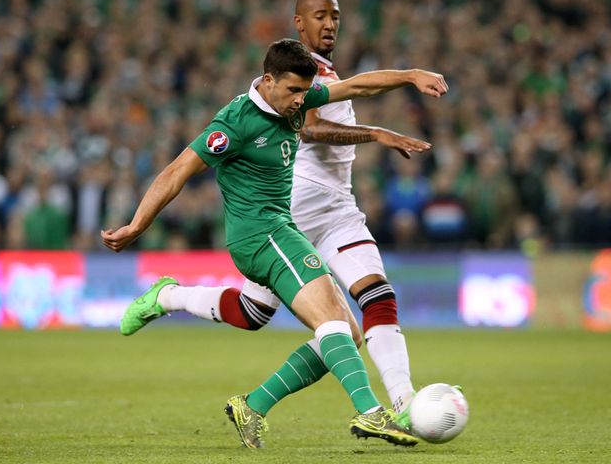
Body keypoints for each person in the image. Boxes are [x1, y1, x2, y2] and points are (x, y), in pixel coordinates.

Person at [103, 38, 447, 448]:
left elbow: (357, 87)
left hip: (280, 230)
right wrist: (136, 226)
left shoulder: (297, 98)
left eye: (305, 91)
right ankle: (371, 413)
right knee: (332, 321)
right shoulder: (234, 124)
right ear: (268, 81)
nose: (300, 101)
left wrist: (410, 76)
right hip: (261, 235)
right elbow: (177, 171)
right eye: (293, 92)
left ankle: (253, 404)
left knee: (343, 334)